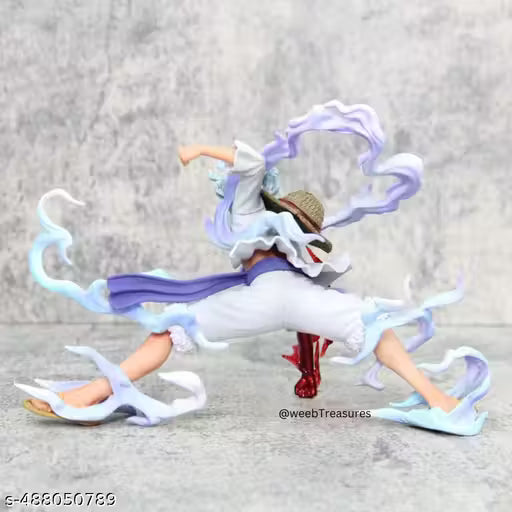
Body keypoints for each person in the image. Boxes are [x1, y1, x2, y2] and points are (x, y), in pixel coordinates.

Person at [26, 140, 460, 417]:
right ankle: (437, 398)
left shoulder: (254, 215)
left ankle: (93, 393)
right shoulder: (287, 241)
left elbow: (251, 164)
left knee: (170, 329)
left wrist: (198, 148)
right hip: (290, 297)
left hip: (266, 296)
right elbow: (253, 164)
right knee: (373, 322)